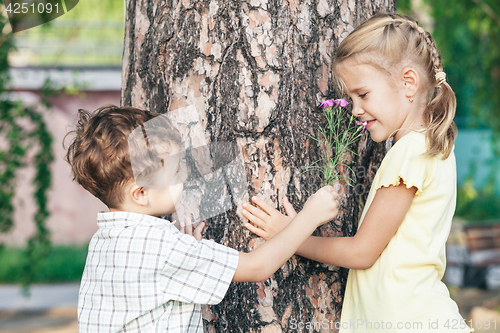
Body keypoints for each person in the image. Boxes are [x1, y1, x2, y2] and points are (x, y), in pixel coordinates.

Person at [242, 13, 473, 333]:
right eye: (350, 98)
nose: (355, 109)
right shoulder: (429, 148)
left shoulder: (410, 152)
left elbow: (362, 252)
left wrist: (290, 233)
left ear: (408, 82)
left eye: (363, 94)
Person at [64, 105, 339, 332]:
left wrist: (186, 250)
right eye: (174, 172)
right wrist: (309, 216)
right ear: (141, 193)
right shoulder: (163, 246)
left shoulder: (103, 241)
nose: (183, 175)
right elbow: (257, 266)